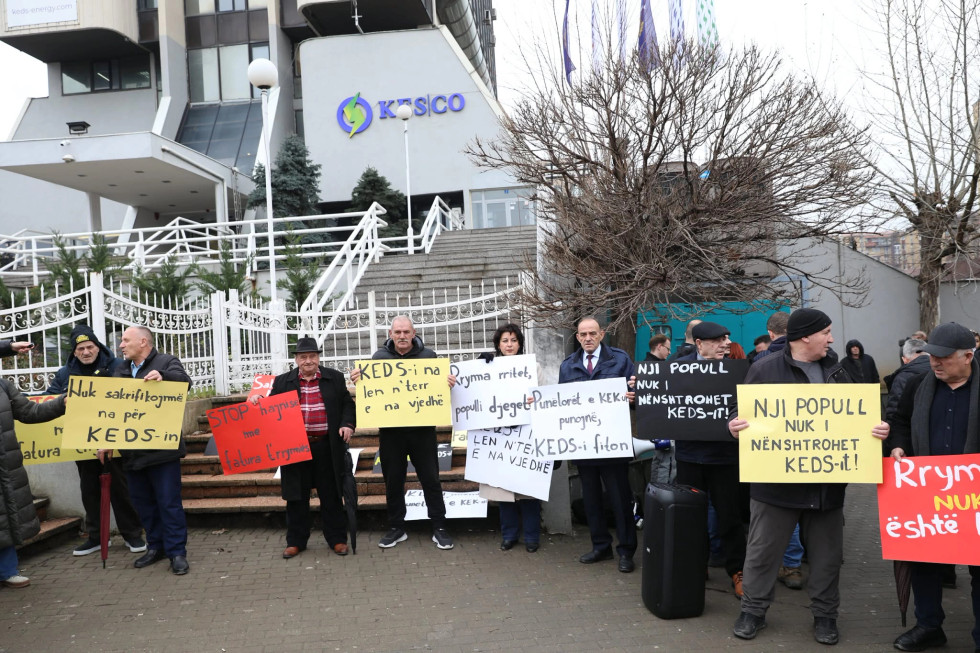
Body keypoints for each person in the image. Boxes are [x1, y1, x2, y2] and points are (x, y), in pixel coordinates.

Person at [729, 308, 890, 645]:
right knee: (762, 553)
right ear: (805, 336)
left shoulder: (838, 370)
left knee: (828, 558)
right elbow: (739, 411)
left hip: (825, 488)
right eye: (826, 332)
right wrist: (733, 426)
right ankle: (752, 612)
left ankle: (825, 616)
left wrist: (876, 430)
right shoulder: (764, 369)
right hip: (775, 487)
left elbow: (857, 418)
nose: (831, 339)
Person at [886, 322, 980, 652]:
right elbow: (899, 421)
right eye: (932, 356)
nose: (935, 363)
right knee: (924, 563)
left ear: (968, 356)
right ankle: (928, 626)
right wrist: (898, 445)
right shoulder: (918, 385)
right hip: (926, 495)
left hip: (974, 497)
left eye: (943, 357)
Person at [350, 316, 456, 550]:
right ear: (390, 334)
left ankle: (439, 526)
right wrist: (358, 380)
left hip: (422, 432)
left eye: (406, 332)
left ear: (414, 333)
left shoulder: (429, 357)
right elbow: (371, 391)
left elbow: (439, 390)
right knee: (393, 481)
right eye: (397, 332)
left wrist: (447, 383)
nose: (402, 336)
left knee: (431, 479)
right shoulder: (378, 358)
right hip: (391, 433)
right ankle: (396, 527)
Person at [46, 325, 146, 557]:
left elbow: (133, 395)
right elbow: (48, 399)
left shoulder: (118, 366)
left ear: (98, 346)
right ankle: (96, 538)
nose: (86, 352)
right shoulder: (64, 374)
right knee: (89, 490)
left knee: (121, 489)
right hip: (83, 444)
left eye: (90, 346)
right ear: (74, 351)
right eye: (80, 348)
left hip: (115, 443)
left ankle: (132, 534)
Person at [255, 337, 356, 559]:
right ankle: (295, 541)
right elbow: (269, 408)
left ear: (318, 358)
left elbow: (347, 404)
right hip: (294, 448)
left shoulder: (334, 378)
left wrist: (347, 424)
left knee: (331, 495)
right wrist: (256, 400)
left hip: (326, 447)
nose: (308, 361)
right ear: (296, 360)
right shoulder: (283, 381)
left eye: (312, 356)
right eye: (303, 357)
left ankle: (337, 539)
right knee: (296, 497)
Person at [110, 326, 192, 575]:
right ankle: (156, 547)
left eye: (126, 340)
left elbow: (185, 382)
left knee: (168, 504)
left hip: (162, 452)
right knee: (144, 505)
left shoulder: (166, 362)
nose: (121, 345)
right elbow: (112, 409)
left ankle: (176, 552)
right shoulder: (121, 371)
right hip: (133, 453)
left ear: (143, 342)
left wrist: (164, 377)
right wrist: (107, 440)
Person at [674, 321, 746, 598]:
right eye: (718, 340)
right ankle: (696, 564)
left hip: (724, 457)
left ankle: (737, 570)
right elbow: (661, 403)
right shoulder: (676, 368)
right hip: (689, 457)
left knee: (729, 516)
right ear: (699, 344)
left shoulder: (736, 370)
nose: (725, 344)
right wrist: (639, 392)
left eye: (726, 339)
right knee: (691, 517)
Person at [559, 317, 637, 573]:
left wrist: (634, 397)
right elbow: (560, 403)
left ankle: (626, 551)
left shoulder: (620, 360)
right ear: (577, 337)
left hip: (613, 444)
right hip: (584, 445)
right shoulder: (567, 366)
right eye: (583, 334)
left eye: (592, 333)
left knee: (620, 499)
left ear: (602, 334)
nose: (588, 338)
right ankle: (600, 546)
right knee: (591, 499)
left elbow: (637, 394)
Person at [0, 345, 66, 588]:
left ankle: (7, 571)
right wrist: (9, 347)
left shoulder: (3, 386)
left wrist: (62, 403)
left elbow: (30, 411)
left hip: (6, 465)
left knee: (4, 518)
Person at [476, 324, 543, 553]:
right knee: (503, 491)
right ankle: (509, 535)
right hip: (499, 437)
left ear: (520, 344)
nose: (509, 345)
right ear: (498, 344)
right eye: (505, 340)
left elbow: (544, 398)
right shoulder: (488, 368)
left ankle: (532, 537)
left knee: (529, 491)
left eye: (514, 340)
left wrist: (537, 400)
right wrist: (479, 366)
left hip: (526, 436)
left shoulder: (533, 368)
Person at [643, 334, 675, 484]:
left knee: (660, 459)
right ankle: (661, 488)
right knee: (664, 460)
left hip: (655, 421)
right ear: (659, 346)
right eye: (668, 349)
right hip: (661, 422)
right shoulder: (653, 368)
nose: (669, 352)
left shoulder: (646, 366)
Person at [883, 338, 928, 422]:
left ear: (904, 359)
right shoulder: (941, 373)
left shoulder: (903, 377)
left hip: (910, 427)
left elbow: (894, 410)